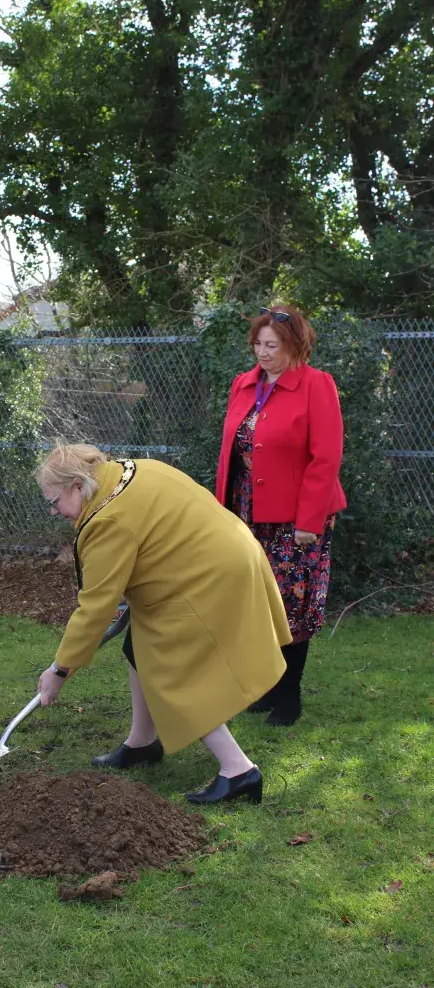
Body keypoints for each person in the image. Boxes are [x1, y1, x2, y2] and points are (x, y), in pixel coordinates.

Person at [35, 443, 291, 805]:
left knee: (176, 671)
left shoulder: (107, 520)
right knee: (136, 647)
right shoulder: (132, 470)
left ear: (77, 486)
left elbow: (94, 610)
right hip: (231, 551)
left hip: (209, 576)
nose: (53, 511)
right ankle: (142, 742)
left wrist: (59, 670)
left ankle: (239, 770)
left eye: (54, 501)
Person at [215, 305, 346, 726]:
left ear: (295, 345)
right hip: (247, 511)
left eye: (272, 345)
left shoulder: (317, 385)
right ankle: (269, 686)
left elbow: (326, 457)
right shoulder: (243, 384)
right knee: (255, 602)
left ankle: (290, 693)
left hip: (297, 518)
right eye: (258, 344)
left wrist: (309, 521)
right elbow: (232, 453)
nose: (263, 352)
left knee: (292, 602)